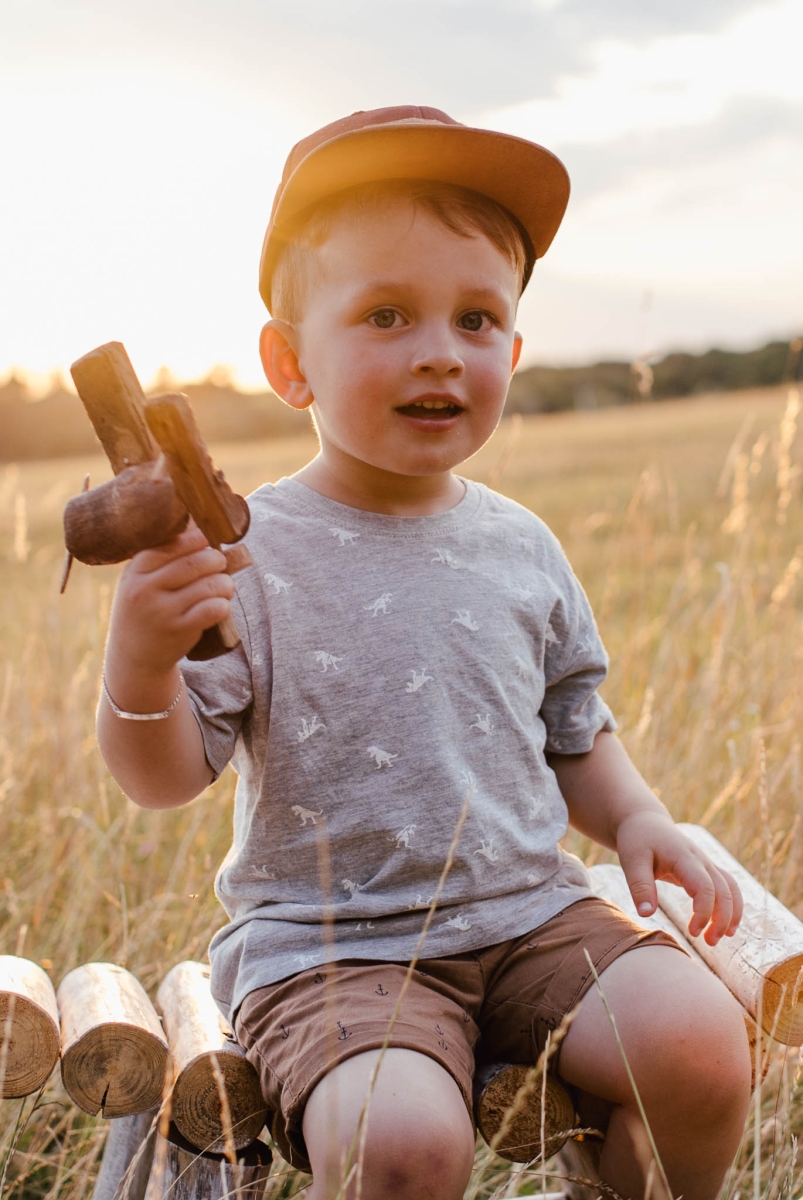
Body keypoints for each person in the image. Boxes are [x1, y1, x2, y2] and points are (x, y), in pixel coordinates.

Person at [98, 106, 751, 1200]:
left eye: (476, 319)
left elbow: (571, 728)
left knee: (699, 1046)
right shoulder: (241, 554)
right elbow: (163, 778)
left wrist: (636, 819)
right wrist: (139, 664)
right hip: (333, 951)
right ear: (288, 361)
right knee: (405, 1148)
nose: (440, 352)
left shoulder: (518, 544)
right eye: (388, 315)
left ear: (512, 348)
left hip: (530, 913)